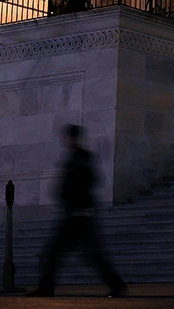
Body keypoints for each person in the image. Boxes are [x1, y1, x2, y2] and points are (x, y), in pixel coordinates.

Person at [29, 124, 127, 298]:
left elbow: (88, 182)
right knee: (87, 254)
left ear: (72, 137)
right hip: (76, 214)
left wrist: (73, 201)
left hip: (77, 216)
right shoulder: (77, 156)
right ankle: (116, 284)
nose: (63, 140)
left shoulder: (80, 157)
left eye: (65, 137)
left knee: (56, 252)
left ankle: (46, 288)